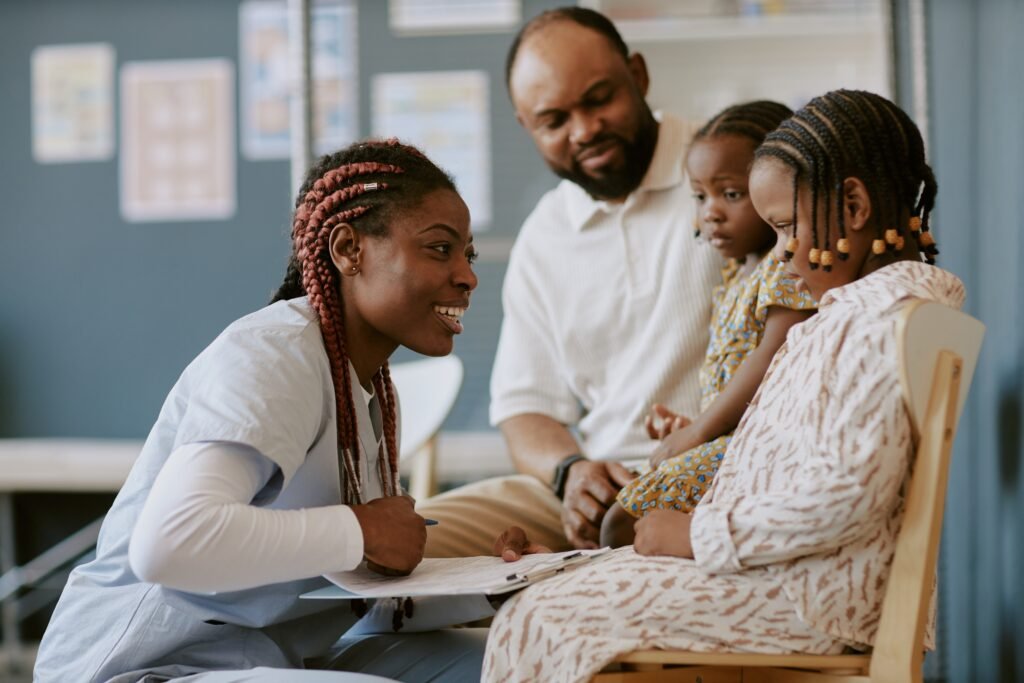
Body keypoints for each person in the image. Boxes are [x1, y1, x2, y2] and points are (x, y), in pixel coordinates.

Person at [483, 89, 960, 683]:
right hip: (784, 578)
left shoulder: (875, 324)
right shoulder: (858, 316)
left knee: (545, 620)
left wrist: (694, 532)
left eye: (787, 230)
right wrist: (594, 562)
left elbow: (842, 495)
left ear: (855, 205)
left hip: (808, 599)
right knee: (540, 597)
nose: (782, 258)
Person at [33, 140, 490, 683]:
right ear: (348, 250)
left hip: (270, 660)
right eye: (441, 249)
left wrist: (496, 588)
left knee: (509, 663)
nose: (467, 276)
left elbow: (347, 592)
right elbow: (169, 542)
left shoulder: (365, 390)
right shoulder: (276, 353)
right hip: (139, 670)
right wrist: (361, 531)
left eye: (469, 255)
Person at [418, 6, 722, 557]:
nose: (585, 131)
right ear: (526, 126)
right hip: (600, 493)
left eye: (599, 99)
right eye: (554, 120)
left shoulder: (729, 178)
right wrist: (572, 473)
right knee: (409, 544)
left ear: (639, 75)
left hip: (718, 474)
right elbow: (524, 410)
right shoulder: (545, 236)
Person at [602, 100, 817, 547]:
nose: (710, 212)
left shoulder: (787, 268)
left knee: (624, 517)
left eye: (731, 194)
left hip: (761, 446)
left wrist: (700, 431)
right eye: (700, 196)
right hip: (729, 434)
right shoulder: (737, 273)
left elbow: (771, 361)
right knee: (623, 509)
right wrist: (692, 424)